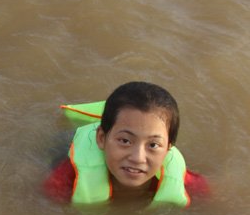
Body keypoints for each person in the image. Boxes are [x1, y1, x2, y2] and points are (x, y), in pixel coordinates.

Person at [43, 81, 208, 206]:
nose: (137, 158)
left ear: (168, 149)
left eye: (153, 145)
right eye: (125, 141)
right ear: (101, 138)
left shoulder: (182, 181)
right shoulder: (64, 180)